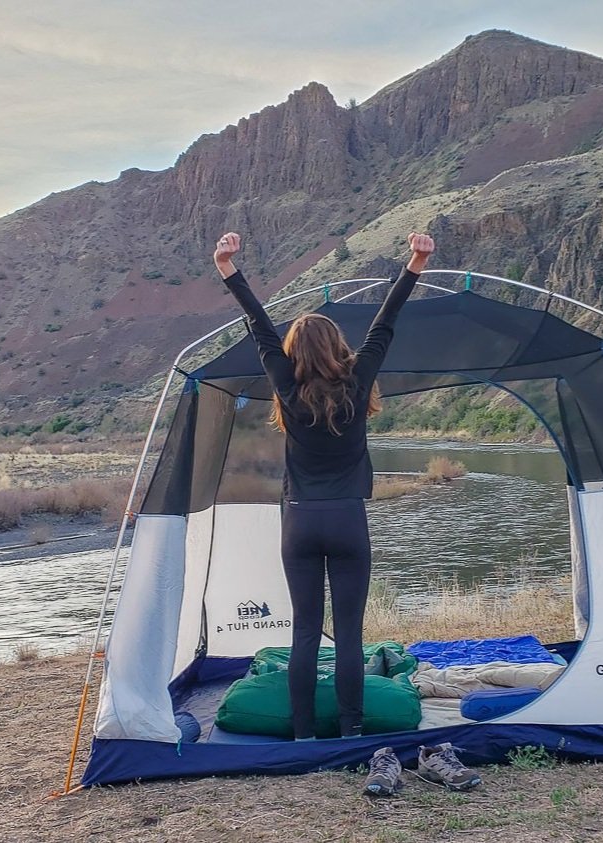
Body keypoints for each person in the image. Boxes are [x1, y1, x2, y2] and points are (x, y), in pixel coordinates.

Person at [213, 230, 435, 739]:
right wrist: (415, 263)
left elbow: (261, 329)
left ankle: (304, 734)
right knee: (351, 637)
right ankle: (353, 730)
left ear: (293, 354)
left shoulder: (287, 388)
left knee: (305, 633)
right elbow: (384, 326)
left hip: (301, 523)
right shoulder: (356, 384)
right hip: (347, 521)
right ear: (338, 347)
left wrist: (229, 270)